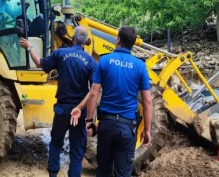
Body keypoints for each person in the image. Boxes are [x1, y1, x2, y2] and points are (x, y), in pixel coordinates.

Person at [70, 26, 153, 177]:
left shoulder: (104, 60)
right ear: (133, 43)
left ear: (118, 39)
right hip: (127, 129)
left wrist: (89, 120)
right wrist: (147, 130)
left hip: (106, 127)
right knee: (122, 173)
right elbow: (147, 102)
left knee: (103, 171)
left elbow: (94, 93)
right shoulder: (140, 65)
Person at [19, 26, 96, 177]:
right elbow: (94, 91)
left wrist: (30, 48)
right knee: (77, 149)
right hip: (79, 112)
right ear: (85, 42)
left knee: (55, 143)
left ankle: (53, 174)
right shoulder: (91, 61)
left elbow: (40, 63)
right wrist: (86, 116)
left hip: (62, 110)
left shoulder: (60, 54)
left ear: (72, 39)